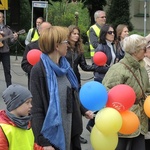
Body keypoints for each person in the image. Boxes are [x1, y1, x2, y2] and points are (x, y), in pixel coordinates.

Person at [30, 26, 86, 150]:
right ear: (56, 46)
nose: (68, 45)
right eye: (65, 42)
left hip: (71, 130)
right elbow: (36, 108)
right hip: (52, 136)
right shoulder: (39, 70)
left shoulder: (65, 67)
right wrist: (43, 141)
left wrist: (83, 110)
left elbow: (72, 95)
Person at [102, 34, 150, 150]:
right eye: (144, 48)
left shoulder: (141, 69)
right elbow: (107, 93)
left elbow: (147, 90)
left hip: (140, 120)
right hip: (123, 121)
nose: (146, 50)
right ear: (135, 51)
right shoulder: (118, 69)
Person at [86, 24, 119, 132]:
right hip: (101, 78)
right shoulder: (101, 47)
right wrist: (111, 69)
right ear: (104, 34)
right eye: (110, 32)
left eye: (113, 32)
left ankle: (95, 123)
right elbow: (96, 67)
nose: (112, 34)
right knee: (102, 103)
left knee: (106, 103)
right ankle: (91, 123)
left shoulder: (112, 45)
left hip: (109, 78)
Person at [66, 25, 94, 144]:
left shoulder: (79, 50)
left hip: (76, 81)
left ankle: (77, 135)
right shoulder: (64, 48)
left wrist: (98, 67)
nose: (76, 36)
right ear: (69, 34)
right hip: (65, 80)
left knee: (78, 108)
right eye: (74, 33)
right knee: (68, 108)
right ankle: (69, 133)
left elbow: (84, 66)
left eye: (78, 34)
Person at [0, 84, 34, 150]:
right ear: (16, 104)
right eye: (27, 102)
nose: (31, 106)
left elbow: (30, 144)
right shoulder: (3, 129)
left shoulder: (26, 122)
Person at [21, 22, 51, 89]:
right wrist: (38, 71)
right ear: (39, 31)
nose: (49, 33)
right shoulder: (31, 47)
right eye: (46, 30)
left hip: (51, 83)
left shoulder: (55, 46)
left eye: (50, 30)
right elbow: (24, 65)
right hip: (36, 84)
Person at [0, 12, 18, 87]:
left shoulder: (7, 29)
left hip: (5, 52)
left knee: (7, 71)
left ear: (3, 18)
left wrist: (15, 38)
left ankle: (9, 88)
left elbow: (11, 41)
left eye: (0, 17)